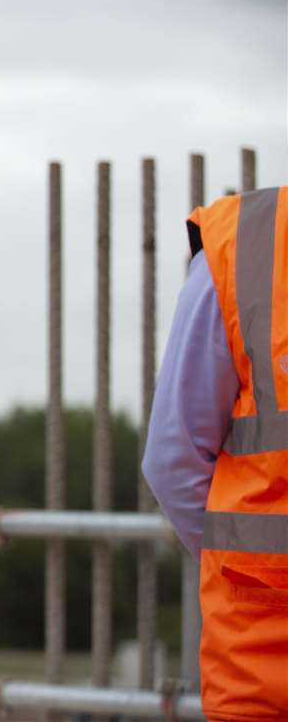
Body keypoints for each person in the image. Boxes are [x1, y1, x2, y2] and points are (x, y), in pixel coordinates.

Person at [144, 186, 287, 722]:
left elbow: (173, 459)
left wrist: (242, 564)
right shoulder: (242, 245)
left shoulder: (244, 242)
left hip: (262, 665)